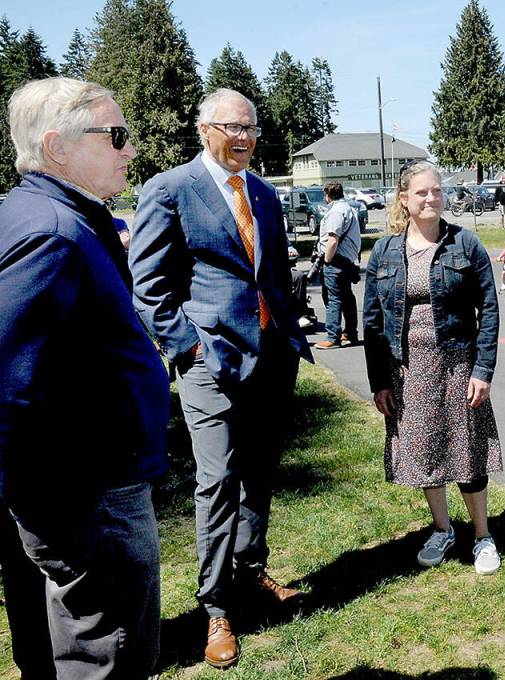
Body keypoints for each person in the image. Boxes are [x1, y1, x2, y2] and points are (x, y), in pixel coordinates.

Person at [129, 88, 314, 669]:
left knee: (258, 474)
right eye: (233, 127)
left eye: (252, 127)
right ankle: (215, 609)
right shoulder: (169, 189)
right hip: (212, 366)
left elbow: (275, 273)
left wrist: (289, 329)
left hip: (270, 359)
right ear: (204, 128)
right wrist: (189, 349)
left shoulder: (262, 192)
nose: (245, 137)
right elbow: (149, 287)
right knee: (216, 483)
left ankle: (252, 571)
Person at [0, 77, 169, 679]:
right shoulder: (50, 232)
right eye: (116, 135)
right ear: (57, 147)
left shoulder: (49, 213)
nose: (130, 149)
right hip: (86, 491)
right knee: (109, 654)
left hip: (74, 484)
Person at [363, 161, 503, 576]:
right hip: (407, 369)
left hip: (459, 362)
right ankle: (442, 529)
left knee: (467, 449)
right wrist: (378, 381)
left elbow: (490, 309)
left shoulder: (466, 244)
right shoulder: (386, 251)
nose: (430, 198)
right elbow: (371, 321)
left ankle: (482, 535)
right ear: (404, 199)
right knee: (424, 451)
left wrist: (484, 369)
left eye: (436, 191)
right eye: (421, 192)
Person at [314, 182, 361, 349]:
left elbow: (333, 239)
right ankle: (350, 333)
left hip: (336, 260)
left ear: (327, 196)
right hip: (346, 260)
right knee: (347, 297)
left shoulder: (336, 212)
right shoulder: (348, 208)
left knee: (333, 299)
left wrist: (326, 260)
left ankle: (333, 337)